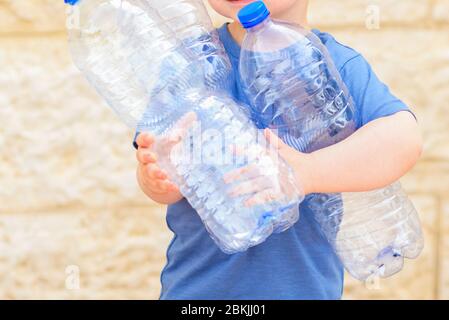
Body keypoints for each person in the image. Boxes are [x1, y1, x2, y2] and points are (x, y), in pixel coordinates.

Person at [134, 0, 423, 299]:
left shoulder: (334, 63)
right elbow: (165, 185)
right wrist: (157, 175)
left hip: (302, 290)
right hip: (198, 292)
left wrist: (306, 174)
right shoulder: (189, 64)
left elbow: (403, 140)